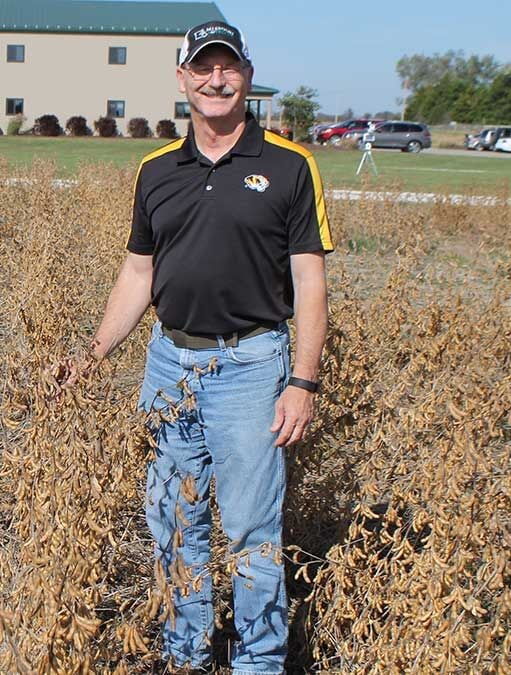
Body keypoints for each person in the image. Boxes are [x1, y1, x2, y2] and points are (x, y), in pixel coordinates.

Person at [82, 20, 332, 674]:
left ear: (246, 74)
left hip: (252, 367)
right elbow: (139, 273)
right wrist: (92, 353)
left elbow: (310, 280)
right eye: (202, 67)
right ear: (182, 79)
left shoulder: (289, 165)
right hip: (169, 365)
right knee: (173, 522)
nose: (215, 80)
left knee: (251, 531)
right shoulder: (156, 170)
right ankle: (185, 654)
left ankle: (258, 662)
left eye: (227, 67)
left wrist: (302, 381)